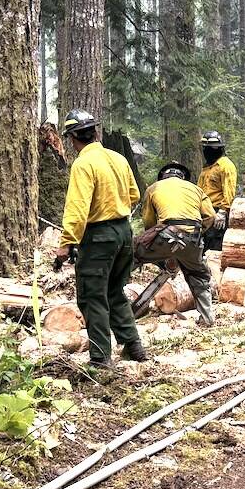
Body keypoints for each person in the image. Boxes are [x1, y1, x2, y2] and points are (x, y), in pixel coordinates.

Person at [56, 110, 148, 369]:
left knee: (92, 296)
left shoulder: (83, 164)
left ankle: (100, 358)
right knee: (115, 291)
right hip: (124, 232)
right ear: (95, 132)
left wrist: (66, 243)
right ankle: (134, 346)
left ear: (74, 137)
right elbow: (134, 195)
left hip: (99, 237)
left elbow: (77, 208)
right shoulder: (117, 158)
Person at [138, 162, 217, 326]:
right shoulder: (196, 189)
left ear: (163, 176)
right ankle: (207, 318)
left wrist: (156, 249)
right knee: (198, 275)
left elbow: (148, 222)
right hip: (193, 238)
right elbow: (210, 216)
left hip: (167, 235)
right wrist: (196, 234)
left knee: (130, 254)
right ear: (183, 177)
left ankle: (117, 296)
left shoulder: (153, 188)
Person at [196, 129, 237, 250]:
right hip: (203, 213)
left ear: (219, 148)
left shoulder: (225, 165)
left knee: (214, 248)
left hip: (216, 212)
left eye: (211, 148)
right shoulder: (207, 168)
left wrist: (223, 211)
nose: (207, 151)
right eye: (206, 148)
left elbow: (229, 190)